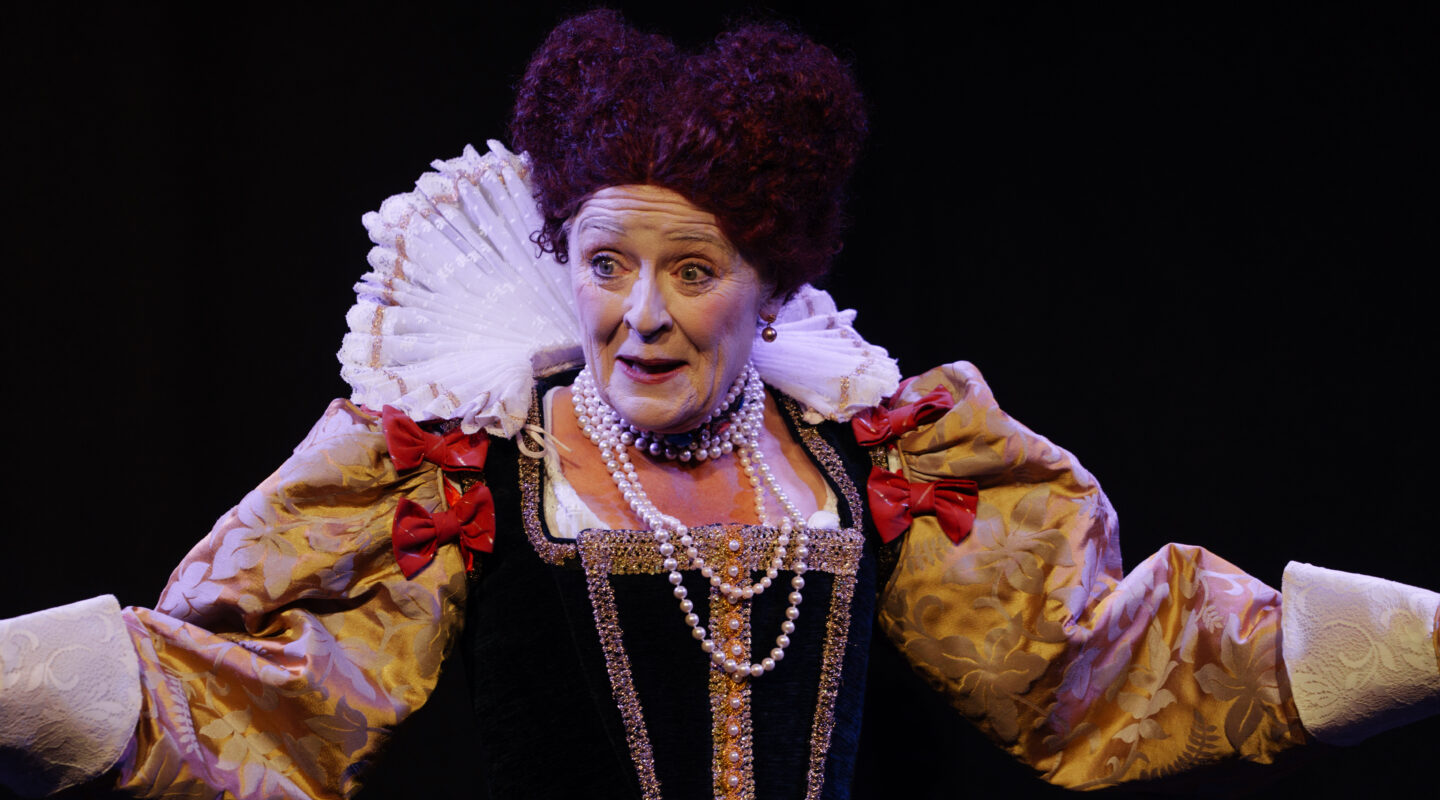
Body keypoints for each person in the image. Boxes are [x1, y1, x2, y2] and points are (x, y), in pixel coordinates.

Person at [2, 7, 1436, 800]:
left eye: (693, 270)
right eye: (606, 262)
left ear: (772, 280)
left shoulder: (874, 458)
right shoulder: (463, 464)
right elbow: (259, 689)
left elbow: (1098, 667)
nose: (639, 312)